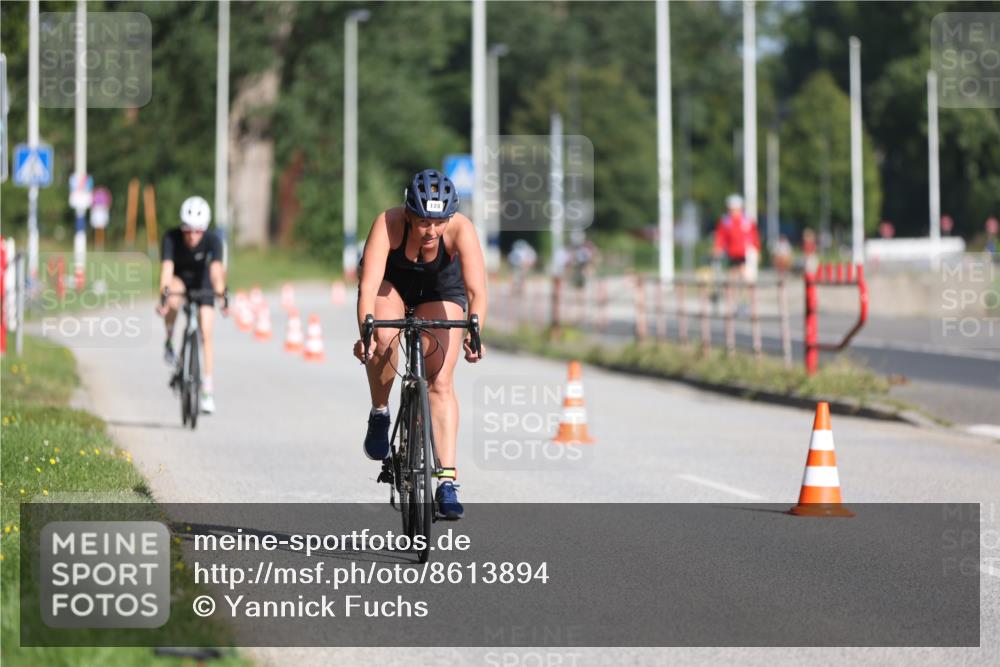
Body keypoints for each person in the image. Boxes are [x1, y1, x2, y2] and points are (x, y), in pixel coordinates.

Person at [353, 169, 487, 520]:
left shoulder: (462, 230)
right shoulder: (388, 224)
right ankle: (380, 412)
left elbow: (476, 292)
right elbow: (368, 288)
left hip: (441, 291)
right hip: (392, 286)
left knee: (440, 382)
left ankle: (446, 482)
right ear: (409, 213)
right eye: (424, 222)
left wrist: (476, 333)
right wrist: (365, 336)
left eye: (439, 222)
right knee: (383, 336)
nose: (431, 231)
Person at [157, 196, 228, 414]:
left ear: (204, 229)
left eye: (197, 231)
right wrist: (163, 298)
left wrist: (222, 295)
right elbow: (167, 271)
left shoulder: (214, 241)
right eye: (188, 230)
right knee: (173, 299)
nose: (192, 236)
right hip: (179, 279)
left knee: (206, 331)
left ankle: (206, 390)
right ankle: (169, 339)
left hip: (202, 281)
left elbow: (216, 272)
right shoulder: (171, 238)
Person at [712, 194, 761, 282]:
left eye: (736, 209)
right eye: (731, 209)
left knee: (746, 274)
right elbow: (720, 236)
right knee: (732, 274)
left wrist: (756, 249)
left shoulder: (747, 221)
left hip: (745, 252)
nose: (733, 212)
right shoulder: (725, 222)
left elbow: (754, 236)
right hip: (731, 252)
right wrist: (718, 247)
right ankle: (731, 294)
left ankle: (747, 293)